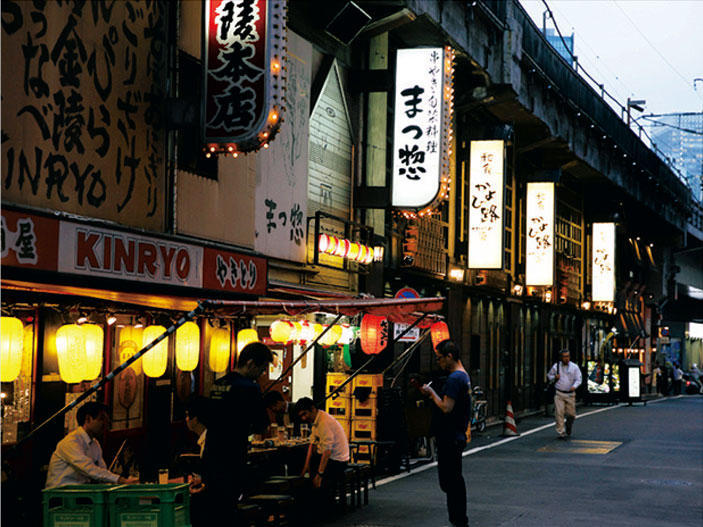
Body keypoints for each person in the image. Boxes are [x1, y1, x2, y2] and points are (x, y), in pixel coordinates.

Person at [202, 342, 273, 522]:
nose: (262, 374)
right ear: (250, 363)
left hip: (211, 454)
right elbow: (261, 425)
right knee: (230, 505)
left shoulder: (218, 384)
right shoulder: (250, 388)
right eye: (262, 369)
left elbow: (208, 417)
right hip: (233, 456)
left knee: (213, 505)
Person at [420, 340, 471, 527]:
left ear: (450, 356)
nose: (439, 362)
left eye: (440, 358)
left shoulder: (454, 379)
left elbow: (446, 407)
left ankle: (458, 520)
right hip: (456, 435)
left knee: (450, 481)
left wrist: (431, 392)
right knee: (454, 479)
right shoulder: (463, 376)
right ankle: (459, 519)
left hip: (449, 436)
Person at [45, 402, 138, 488]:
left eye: (106, 420)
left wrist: (124, 481)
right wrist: (120, 480)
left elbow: (101, 471)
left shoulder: (95, 444)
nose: (105, 423)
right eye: (101, 419)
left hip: (81, 493)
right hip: (60, 494)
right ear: (88, 419)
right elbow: (88, 468)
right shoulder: (71, 441)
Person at [296, 397, 349, 497]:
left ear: (312, 408)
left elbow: (327, 451)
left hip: (338, 460)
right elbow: (312, 445)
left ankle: (320, 502)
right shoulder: (317, 420)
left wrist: (319, 475)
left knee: (316, 476)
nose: (303, 418)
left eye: (304, 414)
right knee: (304, 461)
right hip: (330, 457)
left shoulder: (324, 422)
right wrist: (305, 468)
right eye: (301, 416)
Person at [184, 396, 210, 527]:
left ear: (196, 419)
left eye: (188, 415)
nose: (186, 420)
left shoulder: (209, 441)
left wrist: (204, 483)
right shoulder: (207, 438)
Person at [547, 349, 582, 440]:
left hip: (570, 394)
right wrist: (555, 377)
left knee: (571, 414)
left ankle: (568, 424)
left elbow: (578, 379)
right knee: (559, 413)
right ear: (561, 358)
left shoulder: (574, 367)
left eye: (567, 356)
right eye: (564, 357)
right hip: (559, 393)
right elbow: (549, 376)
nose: (566, 359)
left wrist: (574, 386)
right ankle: (561, 432)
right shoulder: (556, 366)